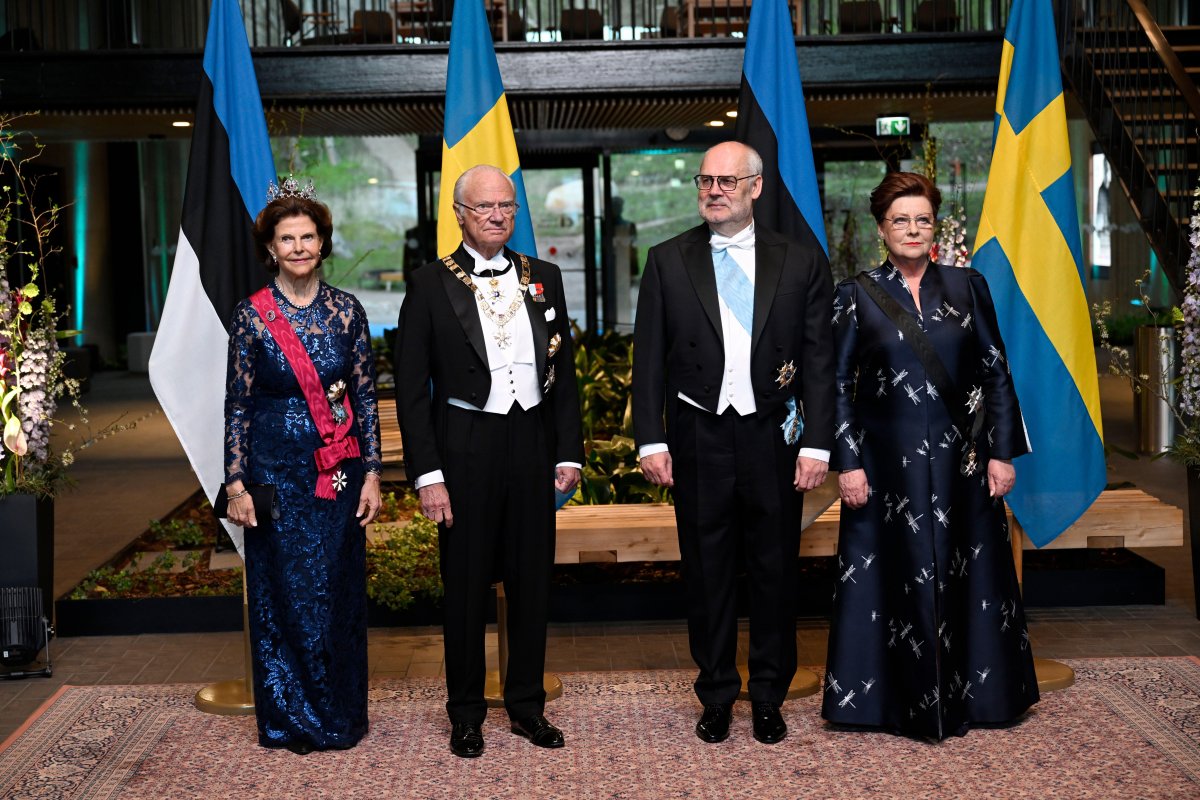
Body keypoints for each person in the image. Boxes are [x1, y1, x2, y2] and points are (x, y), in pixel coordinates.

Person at [821, 171, 1037, 740]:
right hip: (884, 472)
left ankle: (984, 699)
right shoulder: (855, 295)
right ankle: (882, 705)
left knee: (973, 575)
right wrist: (849, 462)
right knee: (887, 583)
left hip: (963, 465)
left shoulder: (969, 287)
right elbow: (838, 385)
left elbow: (996, 373)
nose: (912, 230)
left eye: (922, 219)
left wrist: (1001, 453)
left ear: (934, 227)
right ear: (881, 229)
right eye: (900, 220)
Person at [632, 141, 835, 745]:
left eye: (727, 181)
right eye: (705, 180)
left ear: (756, 187)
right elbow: (648, 363)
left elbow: (820, 361)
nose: (713, 190)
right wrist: (650, 438)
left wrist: (817, 444)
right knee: (707, 570)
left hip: (774, 434)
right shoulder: (667, 260)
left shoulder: (800, 262)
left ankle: (768, 695)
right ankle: (717, 692)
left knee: (775, 570)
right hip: (698, 434)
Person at [395, 164, 583, 758]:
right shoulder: (428, 283)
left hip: (531, 440)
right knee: (467, 586)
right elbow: (408, 387)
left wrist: (569, 451)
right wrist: (427, 474)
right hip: (464, 444)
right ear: (459, 214)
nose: (498, 215)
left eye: (506, 205)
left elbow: (566, 377)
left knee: (532, 582)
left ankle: (526, 707)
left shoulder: (544, 276)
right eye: (484, 207)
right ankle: (466, 714)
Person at [223, 176, 383, 754]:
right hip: (272, 478)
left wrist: (373, 474)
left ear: (323, 243)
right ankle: (288, 718)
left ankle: (340, 713)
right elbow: (237, 402)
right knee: (281, 596)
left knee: (335, 593)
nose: (298, 248)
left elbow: (365, 397)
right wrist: (236, 482)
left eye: (307, 237)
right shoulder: (251, 317)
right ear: (270, 248)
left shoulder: (347, 312)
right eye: (286, 239)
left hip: (335, 476)